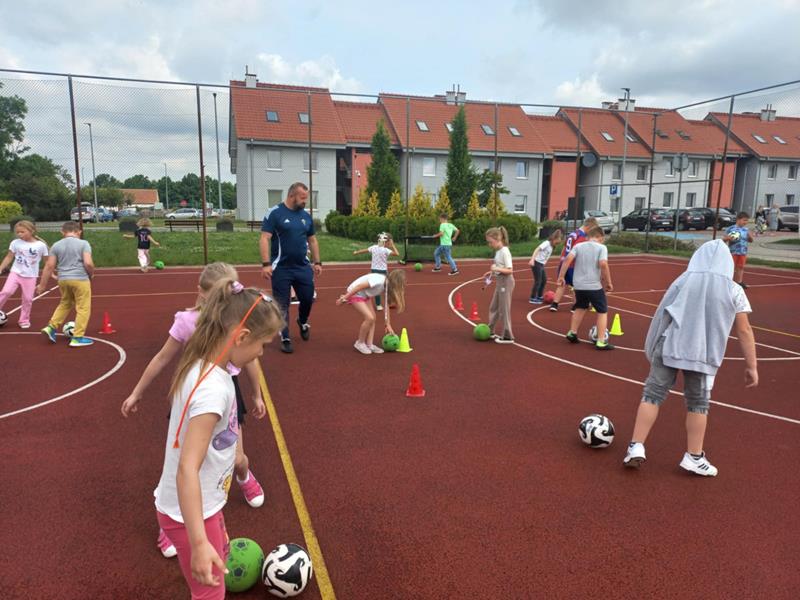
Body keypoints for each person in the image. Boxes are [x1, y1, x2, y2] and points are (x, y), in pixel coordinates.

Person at [121, 262, 269, 558]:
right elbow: (162, 357)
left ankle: (243, 475)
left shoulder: (235, 323)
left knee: (234, 457)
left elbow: (251, 359)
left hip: (225, 394)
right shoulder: (188, 321)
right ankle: (172, 519)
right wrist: (137, 391)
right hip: (194, 397)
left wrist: (256, 395)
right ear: (200, 293)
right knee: (185, 463)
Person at [154, 279, 284, 599]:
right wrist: (199, 543)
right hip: (189, 513)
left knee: (215, 571)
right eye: (262, 345)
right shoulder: (212, 391)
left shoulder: (204, 366)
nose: (261, 352)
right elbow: (187, 468)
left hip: (201, 504)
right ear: (241, 337)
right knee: (210, 594)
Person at [623, 240, 758, 476]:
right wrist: (752, 366)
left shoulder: (683, 280)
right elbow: (744, 329)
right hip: (703, 354)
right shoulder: (734, 289)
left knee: (652, 395)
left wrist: (652, 345)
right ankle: (694, 456)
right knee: (699, 404)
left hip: (670, 344)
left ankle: (636, 445)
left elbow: (662, 313)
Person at [260, 182, 322, 354]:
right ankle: (285, 337)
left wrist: (317, 262)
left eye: (306, 198)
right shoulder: (275, 213)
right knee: (282, 304)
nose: (305, 201)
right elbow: (264, 238)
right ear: (292, 195)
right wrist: (266, 264)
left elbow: (312, 240)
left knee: (307, 298)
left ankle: (302, 321)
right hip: (281, 268)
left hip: (302, 267)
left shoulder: (306, 216)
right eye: (302, 198)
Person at [37, 221, 95, 347]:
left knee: (65, 303)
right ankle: (77, 337)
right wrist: (91, 274)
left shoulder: (56, 245)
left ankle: (51, 327)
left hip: (63, 279)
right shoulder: (84, 243)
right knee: (83, 308)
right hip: (80, 278)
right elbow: (88, 263)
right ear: (79, 232)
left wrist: (42, 285)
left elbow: (49, 266)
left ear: (62, 232)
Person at [558, 226, 614, 350]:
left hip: (578, 285)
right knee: (602, 311)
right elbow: (603, 264)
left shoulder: (578, 246)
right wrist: (609, 282)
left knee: (580, 307)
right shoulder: (602, 248)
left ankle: (572, 332)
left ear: (588, 237)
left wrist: (561, 277)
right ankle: (601, 341)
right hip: (593, 285)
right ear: (600, 237)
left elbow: (567, 260)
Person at [336, 270, 406, 354]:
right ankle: (360, 343)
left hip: (365, 295)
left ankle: (369, 344)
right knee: (369, 318)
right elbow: (359, 286)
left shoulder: (387, 286)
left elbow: (385, 305)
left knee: (373, 317)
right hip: (356, 293)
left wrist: (388, 324)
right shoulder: (379, 280)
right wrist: (344, 298)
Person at [0, 220, 49, 328]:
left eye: (22, 232)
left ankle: (24, 320)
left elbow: (47, 262)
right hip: (15, 272)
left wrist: (51, 274)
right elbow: (9, 257)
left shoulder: (40, 245)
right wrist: (1, 268)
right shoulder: (15, 243)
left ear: (31, 231)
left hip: (30, 276)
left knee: (27, 299)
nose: (19, 234)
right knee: (6, 291)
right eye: (18, 232)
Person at [549, 217, 598, 312]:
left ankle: (554, 304)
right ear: (589, 227)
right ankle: (575, 306)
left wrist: (562, 258)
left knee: (561, 284)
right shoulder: (582, 237)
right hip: (572, 264)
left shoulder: (573, 234)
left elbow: (565, 248)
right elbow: (579, 251)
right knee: (576, 286)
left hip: (564, 262)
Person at [483, 226, 515, 344]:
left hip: (506, 282)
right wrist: (492, 271)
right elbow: (500, 267)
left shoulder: (505, 251)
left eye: (490, 242)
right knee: (494, 307)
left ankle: (507, 336)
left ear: (497, 239)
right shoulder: (498, 251)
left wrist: (496, 268)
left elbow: (510, 270)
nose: (489, 244)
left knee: (503, 309)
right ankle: (490, 330)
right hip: (500, 280)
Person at [352, 232, 399, 311]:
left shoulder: (373, 247)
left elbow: (364, 250)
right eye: (389, 242)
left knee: (376, 287)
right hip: (383, 271)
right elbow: (397, 254)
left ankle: (378, 305)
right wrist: (393, 245)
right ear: (386, 242)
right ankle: (390, 302)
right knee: (387, 286)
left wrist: (356, 252)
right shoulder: (386, 250)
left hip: (374, 270)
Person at [529, 229, 563, 304]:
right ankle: (532, 297)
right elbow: (537, 249)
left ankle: (539, 295)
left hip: (541, 264)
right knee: (538, 281)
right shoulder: (546, 243)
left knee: (544, 280)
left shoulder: (551, 246)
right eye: (556, 242)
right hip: (537, 263)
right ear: (554, 239)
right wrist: (532, 259)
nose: (556, 244)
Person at [724, 212, 753, 289]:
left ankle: (739, 282)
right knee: (731, 267)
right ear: (738, 219)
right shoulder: (731, 229)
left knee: (741, 267)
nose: (746, 222)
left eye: (747, 220)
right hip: (733, 252)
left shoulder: (746, 230)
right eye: (744, 220)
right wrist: (728, 238)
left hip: (743, 252)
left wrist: (750, 237)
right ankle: (728, 281)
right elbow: (724, 239)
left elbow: (751, 240)